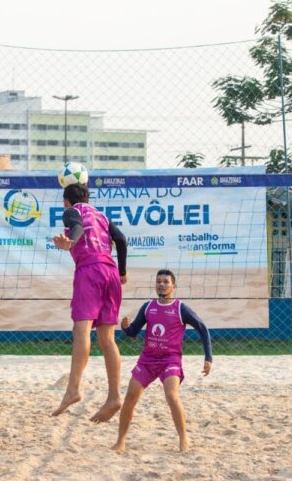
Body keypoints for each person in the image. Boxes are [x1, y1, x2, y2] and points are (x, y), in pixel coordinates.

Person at [112, 269, 212, 453]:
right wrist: (125, 328)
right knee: (130, 397)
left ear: (173, 286)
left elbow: (203, 328)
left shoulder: (180, 308)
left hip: (170, 360)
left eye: (166, 282)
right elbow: (134, 332)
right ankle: (121, 441)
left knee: (171, 395)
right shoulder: (148, 306)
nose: (162, 284)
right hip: (148, 360)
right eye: (159, 281)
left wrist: (208, 357)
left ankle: (184, 439)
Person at [51, 182, 128, 422]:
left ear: (66, 201)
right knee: (107, 338)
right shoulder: (102, 216)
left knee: (81, 331)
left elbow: (77, 227)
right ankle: (114, 396)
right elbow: (122, 240)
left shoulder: (71, 211)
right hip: (111, 272)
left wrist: (70, 242)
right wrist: (123, 271)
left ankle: (73, 389)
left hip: (90, 271)